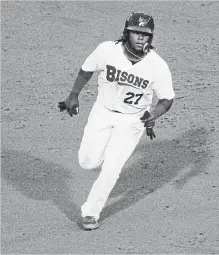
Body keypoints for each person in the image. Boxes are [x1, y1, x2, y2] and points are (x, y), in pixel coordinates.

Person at [58, 11, 175, 230]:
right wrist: (73, 95)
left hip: (132, 120)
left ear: (151, 37)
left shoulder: (157, 66)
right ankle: (102, 154)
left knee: (113, 167)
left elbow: (167, 99)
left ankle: (91, 213)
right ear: (127, 32)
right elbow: (86, 70)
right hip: (102, 112)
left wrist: (153, 115)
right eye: (137, 32)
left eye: (146, 34)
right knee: (88, 162)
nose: (141, 37)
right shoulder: (107, 50)